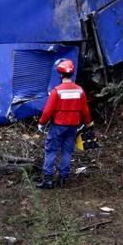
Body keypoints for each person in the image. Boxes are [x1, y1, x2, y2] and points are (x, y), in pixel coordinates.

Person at [37, 59, 92, 189]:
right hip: (73, 126)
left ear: (60, 74)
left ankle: (48, 180)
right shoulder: (80, 91)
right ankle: (63, 179)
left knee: (51, 151)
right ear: (72, 74)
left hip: (58, 126)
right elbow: (85, 110)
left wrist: (41, 123)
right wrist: (88, 123)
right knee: (67, 151)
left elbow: (48, 111)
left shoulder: (57, 91)